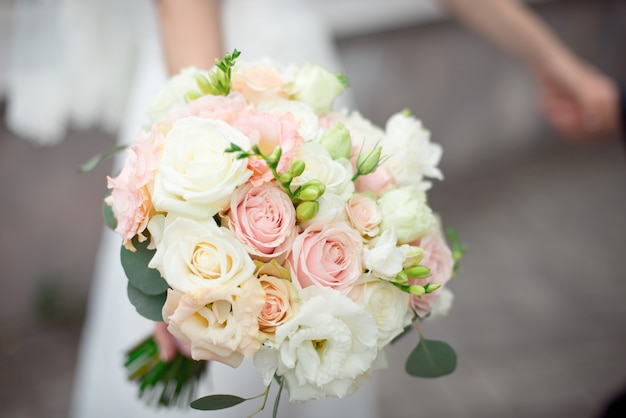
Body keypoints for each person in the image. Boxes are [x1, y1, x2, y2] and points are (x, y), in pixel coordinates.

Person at [3, 1, 621, 417]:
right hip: (202, 108)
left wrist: (558, 63)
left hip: (312, 113)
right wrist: (197, 220)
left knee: (314, 351)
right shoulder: (205, 128)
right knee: (222, 358)